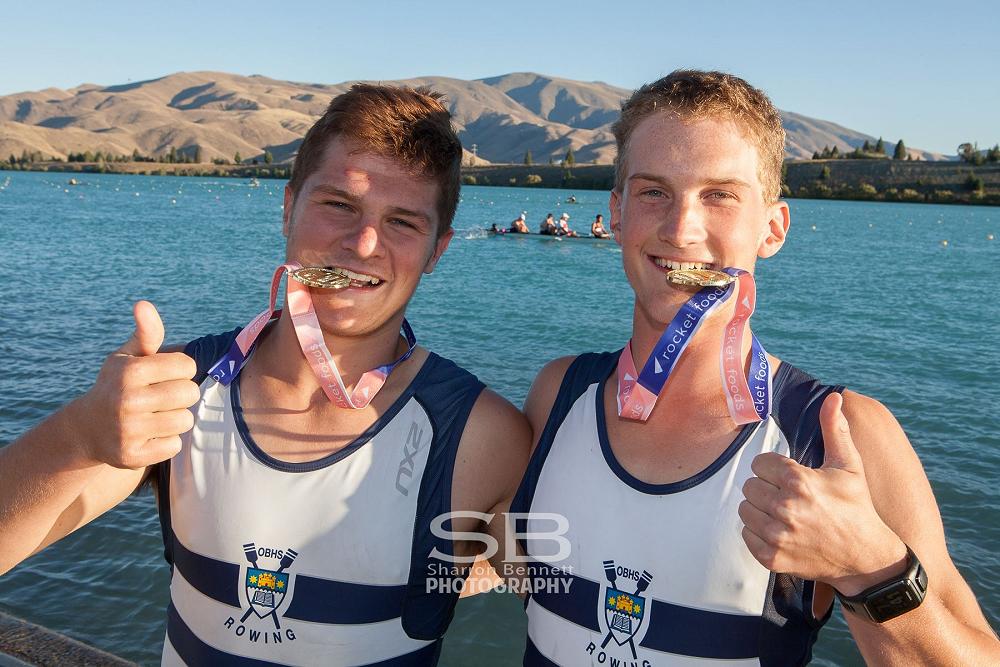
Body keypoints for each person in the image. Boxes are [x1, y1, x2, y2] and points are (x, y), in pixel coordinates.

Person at [0, 84, 531, 666]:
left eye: (403, 222)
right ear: (288, 207)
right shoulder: (179, 390)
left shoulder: (482, 435)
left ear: (436, 250)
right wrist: (80, 434)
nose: (362, 245)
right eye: (338, 205)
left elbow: (570, 609)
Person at [511, 70, 999, 666]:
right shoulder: (558, 393)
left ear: (773, 228)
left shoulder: (840, 434)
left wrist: (870, 568)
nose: (681, 228)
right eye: (652, 192)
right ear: (616, 212)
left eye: (719, 195)